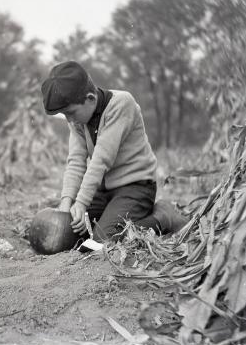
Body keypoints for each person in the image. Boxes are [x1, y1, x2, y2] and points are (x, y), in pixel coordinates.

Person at [40, 60, 187, 243]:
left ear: (90, 98)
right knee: (69, 231)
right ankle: (109, 218)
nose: (69, 119)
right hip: (103, 191)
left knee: (105, 240)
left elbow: (101, 159)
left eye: (71, 112)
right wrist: (67, 201)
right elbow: (76, 161)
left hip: (135, 188)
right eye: (65, 115)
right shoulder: (77, 120)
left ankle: (163, 217)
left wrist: (81, 202)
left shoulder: (121, 104)